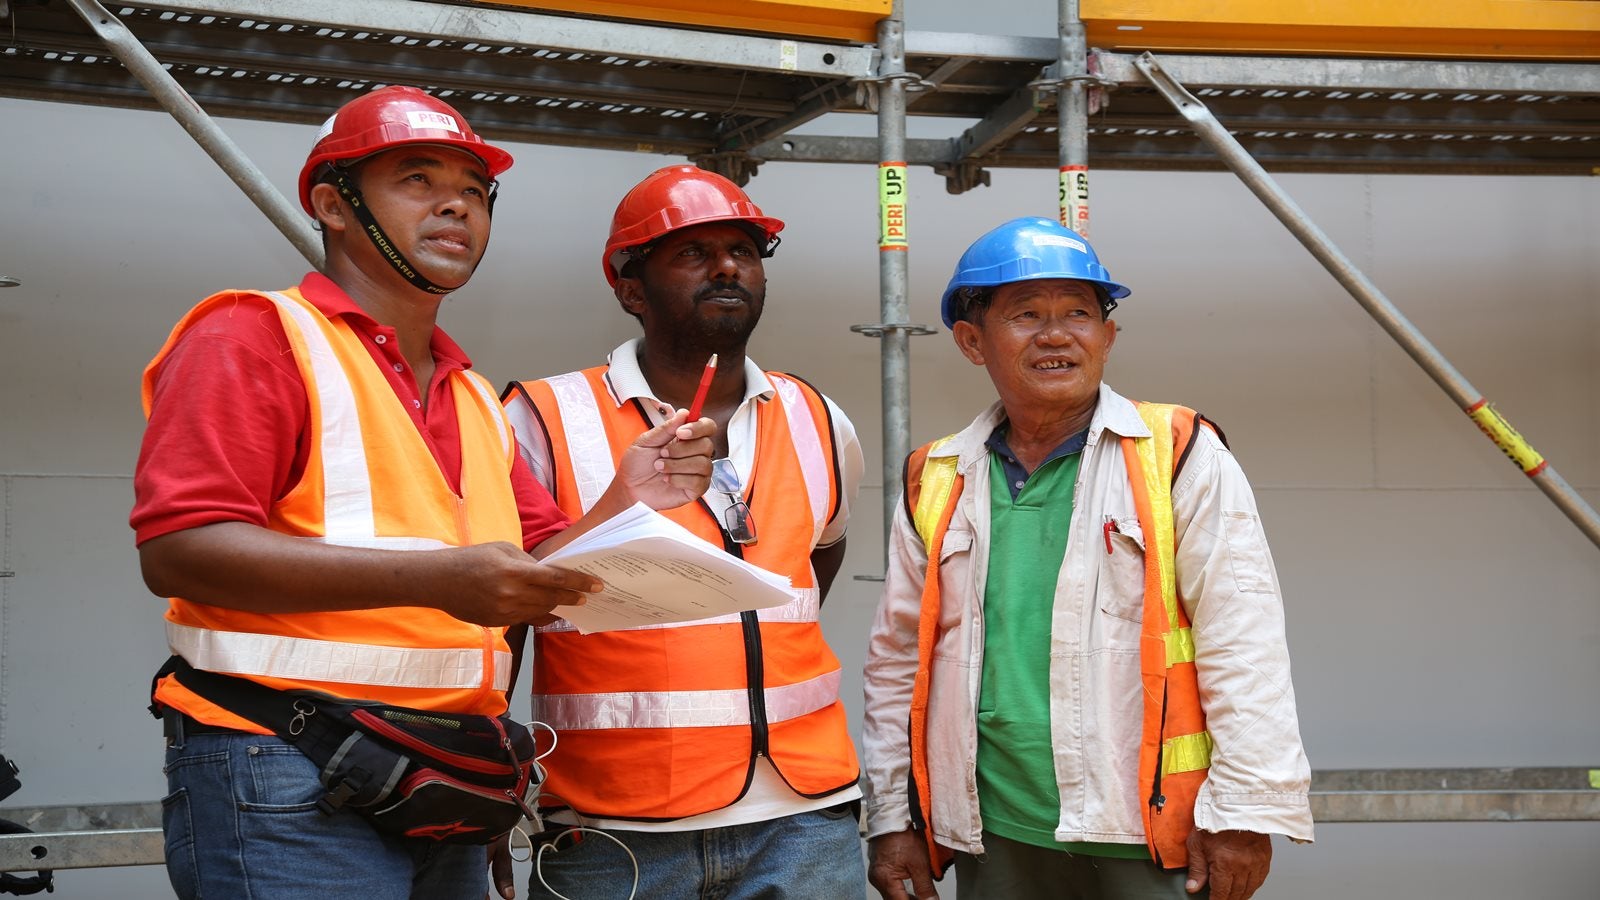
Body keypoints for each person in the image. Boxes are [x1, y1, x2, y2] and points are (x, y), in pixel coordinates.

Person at [130, 87, 714, 900]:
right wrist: (442, 582)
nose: (456, 204)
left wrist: (628, 499)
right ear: (333, 206)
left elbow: (537, 567)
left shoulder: (472, 394)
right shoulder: (252, 336)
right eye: (416, 178)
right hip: (284, 764)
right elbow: (178, 550)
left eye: (476, 191)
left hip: (442, 772)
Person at [861, 217, 1313, 900]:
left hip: (1149, 831)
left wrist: (1247, 810)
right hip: (997, 828)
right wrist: (892, 815)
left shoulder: (1176, 450)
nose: (1056, 334)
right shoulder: (938, 474)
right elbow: (898, 662)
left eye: (1079, 313)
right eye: (1027, 315)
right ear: (970, 341)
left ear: (1109, 336)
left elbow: (1243, 638)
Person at [501, 165, 868, 900]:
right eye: (693, 253)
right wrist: (487, 785)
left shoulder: (821, 420)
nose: (729, 266)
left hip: (806, 818)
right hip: (612, 826)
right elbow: (502, 616)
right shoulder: (539, 417)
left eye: (744, 250)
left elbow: (816, 562)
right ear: (631, 288)